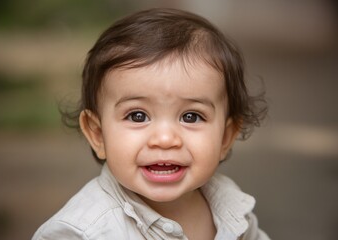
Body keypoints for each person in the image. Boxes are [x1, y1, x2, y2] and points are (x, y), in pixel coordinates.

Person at [32, 8, 269, 240]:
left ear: (226, 138)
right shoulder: (83, 232)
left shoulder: (233, 209)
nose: (165, 139)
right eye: (137, 116)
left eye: (191, 116)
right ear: (98, 134)